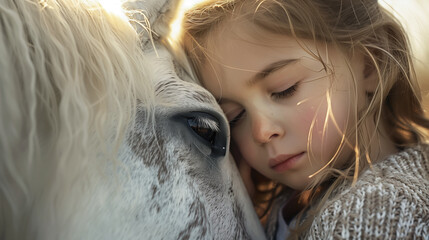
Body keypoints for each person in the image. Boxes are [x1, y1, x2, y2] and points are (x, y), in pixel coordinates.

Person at [181, 0, 429, 239]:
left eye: (284, 89)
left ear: (369, 65)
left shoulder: (377, 210)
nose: (261, 131)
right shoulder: (294, 204)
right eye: (235, 117)